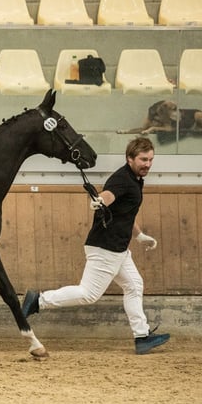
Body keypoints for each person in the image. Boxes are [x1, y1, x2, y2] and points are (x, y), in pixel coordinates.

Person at [22, 136, 170, 355]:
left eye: (150, 159)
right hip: (106, 247)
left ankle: (142, 337)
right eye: (143, 159)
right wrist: (99, 201)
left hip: (119, 248)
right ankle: (39, 301)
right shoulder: (121, 179)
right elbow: (109, 195)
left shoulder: (136, 179)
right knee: (88, 294)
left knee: (134, 285)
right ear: (130, 158)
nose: (147, 164)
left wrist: (139, 236)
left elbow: (125, 214)